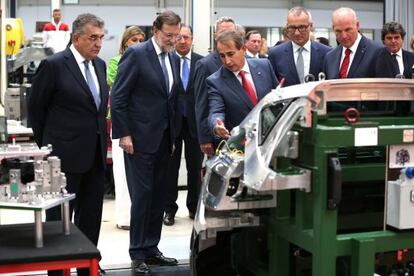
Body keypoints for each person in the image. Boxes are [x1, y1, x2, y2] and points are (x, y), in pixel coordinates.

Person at [29, 13, 108, 276]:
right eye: (92, 38)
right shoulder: (54, 65)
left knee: (91, 220)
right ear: (76, 38)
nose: (98, 43)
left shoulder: (100, 66)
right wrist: (47, 150)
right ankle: (58, 270)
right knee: (60, 223)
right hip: (62, 159)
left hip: (95, 157)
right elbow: (36, 111)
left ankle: (88, 268)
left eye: (100, 38)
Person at [110, 10, 181, 275]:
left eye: (176, 35)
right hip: (138, 140)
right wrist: (124, 134)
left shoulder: (172, 57)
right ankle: (137, 251)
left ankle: (152, 248)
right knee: (142, 196)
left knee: (159, 196)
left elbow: (171, 101)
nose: (173, 40)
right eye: (168, 35)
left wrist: (172, 136)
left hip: (164, 139)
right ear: (155, 30)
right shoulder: (137, 54)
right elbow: (119, 97)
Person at [164, 25, 203, 226]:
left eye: (186, 37)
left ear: (192, 39)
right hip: (172, 123)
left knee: (195, 167)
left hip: (195, 123)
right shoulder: (166, 60)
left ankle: (194, 206)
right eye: (178, 37)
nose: (182, 41)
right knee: (170, 168)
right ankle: (169, 209)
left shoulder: (201, 62)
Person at [107, 26, 146, 230]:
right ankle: (124, 217)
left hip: (142, 124)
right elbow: (118, 89)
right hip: (122, 123)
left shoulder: (149, 62)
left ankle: (140, 216)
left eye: (141, 40)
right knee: (122, 172)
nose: (138, 44)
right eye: (134, 40)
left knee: (139, 174)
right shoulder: (115, 62)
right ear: (125, 43)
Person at [207, 30, 278, 139]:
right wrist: (217, 125)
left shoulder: (264, 66)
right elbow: (216, 111)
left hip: (271, 137)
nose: (227, 61)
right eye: (222, 56)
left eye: (231, 54)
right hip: (241, 143)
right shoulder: (215, 81)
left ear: (243, 49)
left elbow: (278, 97)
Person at [193, 16, 236, 156]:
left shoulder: (246, 61)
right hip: (218, 135)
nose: (227, 36)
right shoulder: (205, 65)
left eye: (231, 32)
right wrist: (204, 138)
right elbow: (201, 104)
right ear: (215, 35)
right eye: (223, 32)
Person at [268, 6, 331, 86]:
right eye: (292, 28)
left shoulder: (326, 53)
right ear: (287, 27)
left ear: (310, 26)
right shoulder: (275, 54)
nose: (297, 33)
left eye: (302, 27)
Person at [323, 7, 383, 79]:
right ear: (333, 29)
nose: (344, 36)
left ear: (357, 26)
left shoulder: (378, 52)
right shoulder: (330, 57)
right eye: (338, 31)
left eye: (348, 30)